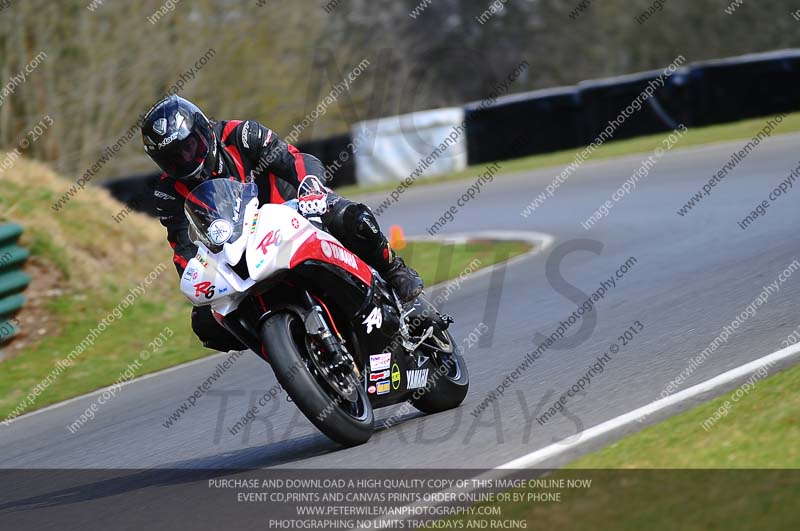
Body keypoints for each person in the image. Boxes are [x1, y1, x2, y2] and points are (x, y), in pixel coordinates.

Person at [141, 95, 423, 351]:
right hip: (239, 248)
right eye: (173, 158)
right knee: (206, 323)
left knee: (352, 219)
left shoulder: (241, 134)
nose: (186, 159)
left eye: (189, 147)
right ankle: (292, 354)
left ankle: (393, 269)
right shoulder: (169, 193)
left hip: (294, 211)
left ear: (203, 130)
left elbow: (293, 158)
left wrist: (310, 186)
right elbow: (182, 246)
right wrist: (192, 276)